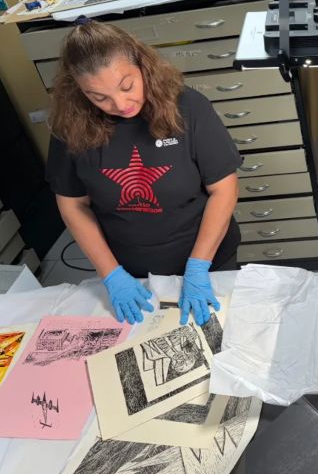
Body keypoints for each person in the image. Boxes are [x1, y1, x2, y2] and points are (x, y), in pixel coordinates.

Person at [46, 18, 240, 326]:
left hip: (207, 259)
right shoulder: (69, 127)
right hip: (130, 270)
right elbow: (72, 204)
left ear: (142, 65)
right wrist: (111, 275)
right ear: (78, 90)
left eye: (127, 86)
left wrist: (198, 266)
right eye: (99, 97)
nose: (120, 103)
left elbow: (224, 189)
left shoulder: (188, 107)